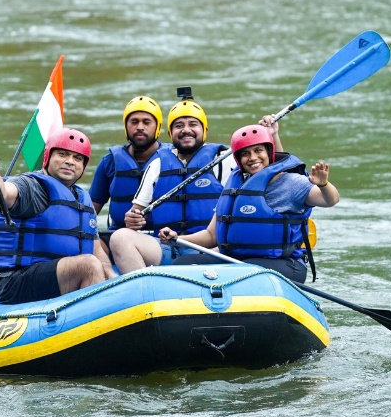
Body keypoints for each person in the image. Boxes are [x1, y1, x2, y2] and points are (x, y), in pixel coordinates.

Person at [158, 123, 339, 283]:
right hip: (237, 263)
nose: (252, 158)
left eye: (258, 150)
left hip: (284, 265)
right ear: (238, 159)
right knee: (183, 264)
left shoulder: (291, 182)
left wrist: (323, 184)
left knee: (242, 271)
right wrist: (177, 239)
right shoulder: (235, 186)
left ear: (269, 152)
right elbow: (211, 236)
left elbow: (330, 200)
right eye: (245, 154)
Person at [0, 128, 116, 304]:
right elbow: (2, 194)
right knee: (88, 265)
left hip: (56, 276)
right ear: (48, 157)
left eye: (77, 158)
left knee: (98, 264)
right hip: (15, 282)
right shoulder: (32, 186)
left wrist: (112, 277)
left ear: (83, 166)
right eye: (63, 154)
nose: (70, 162)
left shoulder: (83, 199)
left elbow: (96, 250)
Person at [108, 92, 237, 271]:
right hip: (166, 248)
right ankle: (146, 291)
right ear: (170, 133)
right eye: (178, 125)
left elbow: (269, 170)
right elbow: (137, 211)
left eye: (193, 124)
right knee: (120, 237)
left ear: (205, 131)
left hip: (211, 250)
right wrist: (133, 219)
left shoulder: (225, 159)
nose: (186, 129)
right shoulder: (157, 163)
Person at [88, 96, 167, 240]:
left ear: (158, 127)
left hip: (163, 238)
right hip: (117, 237)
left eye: (146, 122)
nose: (140, 127)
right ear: (126, 126)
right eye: (134, 122)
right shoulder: (110, 162)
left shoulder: (173, 159)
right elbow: (90, 211)